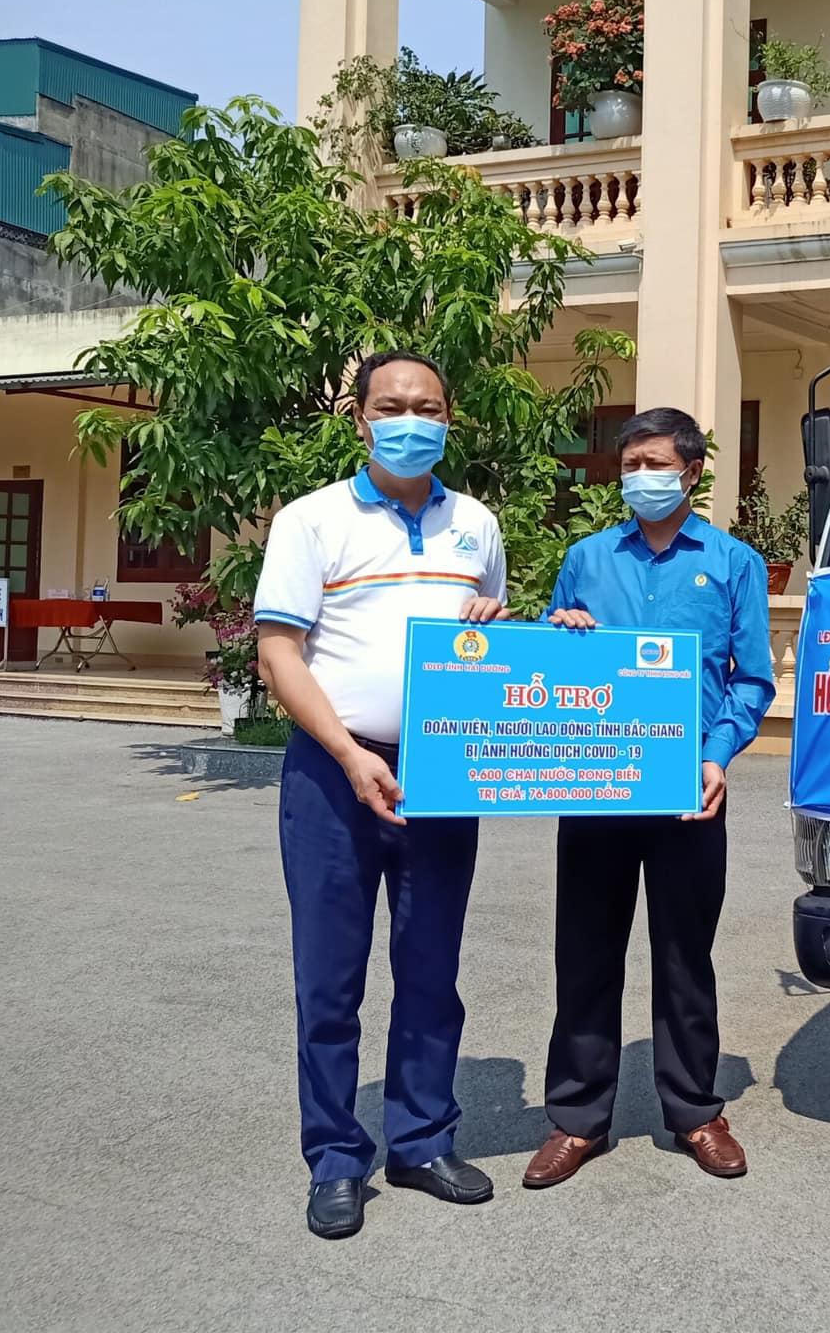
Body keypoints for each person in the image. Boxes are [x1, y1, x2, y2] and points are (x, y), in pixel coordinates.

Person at [254, 350, 509, 1240]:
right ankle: (334, 1159)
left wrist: (494, 623)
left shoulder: (475, 524)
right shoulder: (311, 519)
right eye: (392, 406)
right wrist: (349, 754)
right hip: (334, 777)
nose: (411, 421)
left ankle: (422, 1141)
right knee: (330, 980)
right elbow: (278, 654)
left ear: (449, 419)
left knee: (432, 970)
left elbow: (484, 641)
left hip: (444, 769)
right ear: (360, 419)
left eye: (428, 407)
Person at [522, 406, 775, 1188]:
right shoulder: (587, 558)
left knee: (684, 957)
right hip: (595, 785)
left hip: (687, 792)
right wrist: (557, 628)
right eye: (630, 466)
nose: (641, 478)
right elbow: (547, 661)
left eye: (656, 465)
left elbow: (752, 680)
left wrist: (716, 755)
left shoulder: (733, 564)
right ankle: (577, 1119)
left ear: (691, 472)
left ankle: (696, 1112)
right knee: (585, 955)